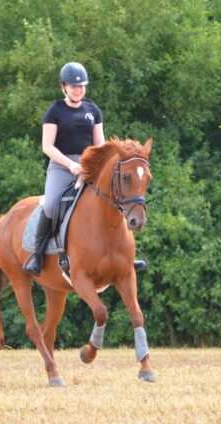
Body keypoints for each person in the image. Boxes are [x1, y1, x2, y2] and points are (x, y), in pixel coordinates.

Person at [22, 62, 146, 276]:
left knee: (115, 198)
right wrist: (70, 164)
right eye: (73, 86)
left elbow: (101, 144)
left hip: (90, 165)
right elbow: (47, 146)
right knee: (51, 205)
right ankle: (38, 255)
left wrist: (101, 165)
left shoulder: (92, 110)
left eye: (81, 86)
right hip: (62, 165)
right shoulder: (55, 111)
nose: (78, 90)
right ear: (64, 87)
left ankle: (125, 254)